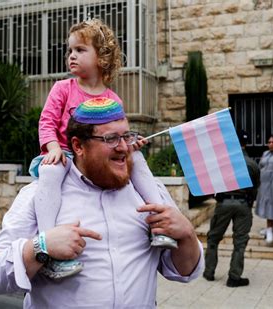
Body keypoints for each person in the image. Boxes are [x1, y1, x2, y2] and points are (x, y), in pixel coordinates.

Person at [0, 100, 203, 308]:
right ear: (78, 146)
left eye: (126, 136)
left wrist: (187, 235)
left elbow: (184, 271)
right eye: (111, 139)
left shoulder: (151, 194)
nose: (124, 147)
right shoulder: (39, 196)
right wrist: (40, 247)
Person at [31, 18, 175, 279]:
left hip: (99, 157)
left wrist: (131, 142)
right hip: (64, 151)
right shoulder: (63, 89)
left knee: (138, 159)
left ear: (102, 57)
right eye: (70, 51)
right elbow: (47, 122)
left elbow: (119, 135)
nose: (71, 56)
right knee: (51, 172)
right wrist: (52, 147)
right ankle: (49, 245)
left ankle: (159, 223)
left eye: (80, 50)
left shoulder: (112, 99)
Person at [202, 130, 260, 287]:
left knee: (213, 238)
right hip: (243, 204)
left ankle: (209, 272)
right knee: (240, 242)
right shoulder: (252, 164)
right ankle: (234, 277)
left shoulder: (223, 162)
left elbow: (211, 183)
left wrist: (219, 198)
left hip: (224, 203)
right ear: (245, 144)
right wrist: (248, 202)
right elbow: (255, 188)